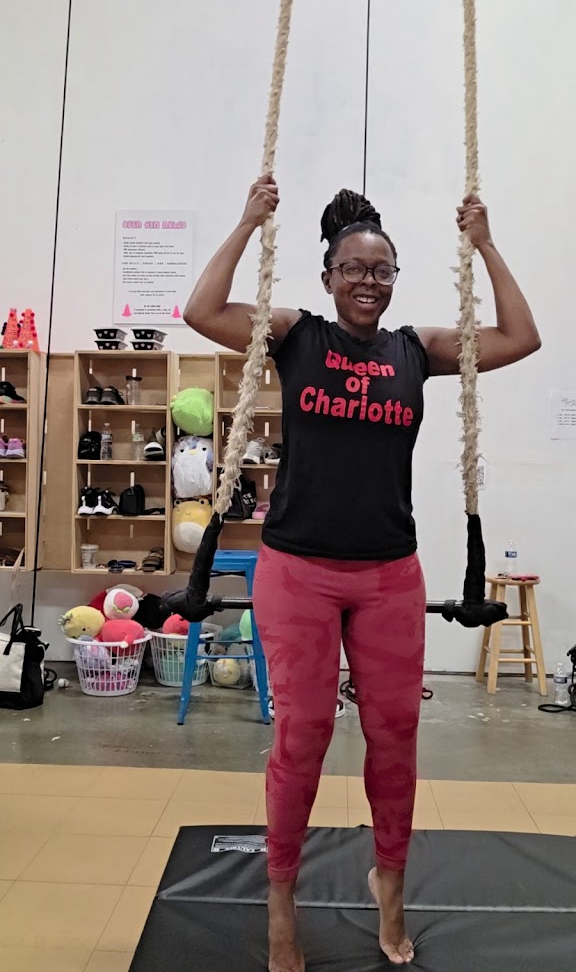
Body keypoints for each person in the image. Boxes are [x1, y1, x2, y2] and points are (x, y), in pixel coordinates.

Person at [183, 175, 540, 970]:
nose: (368, 281)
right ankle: (281, 899)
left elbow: (522, 336)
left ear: (394, 277)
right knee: (302, 734)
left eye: (382, 270)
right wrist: (246, 223)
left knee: (395, 737)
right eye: (354, 268)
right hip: (297, 569)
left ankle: (391, 885)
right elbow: (202, 311)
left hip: (387, 575)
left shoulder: (416, 349)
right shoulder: (295, 336)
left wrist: (485, 244)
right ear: (328, 276)